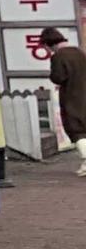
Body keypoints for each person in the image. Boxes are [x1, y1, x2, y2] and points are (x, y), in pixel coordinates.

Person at [43, 27, 86, 176]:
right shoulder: (79, 52)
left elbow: (58, 77)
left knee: (76, 130)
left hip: (72, 96)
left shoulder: (58, 57)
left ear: (49, 44)